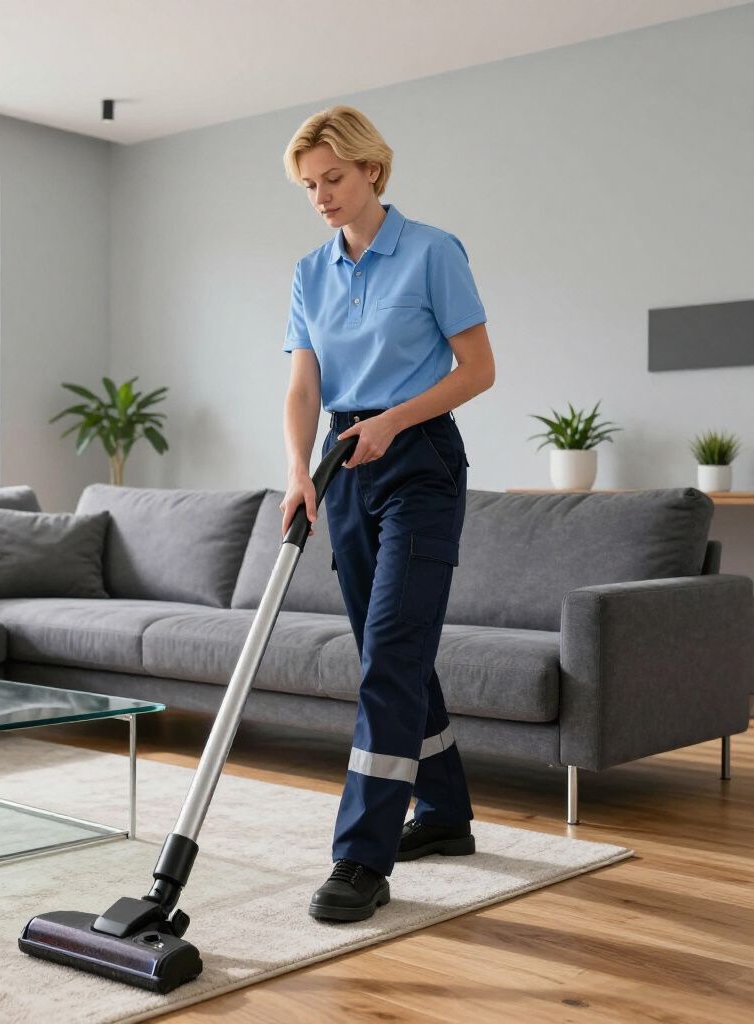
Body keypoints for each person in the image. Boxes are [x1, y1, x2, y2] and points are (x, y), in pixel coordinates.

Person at [279, 105, 497, 922]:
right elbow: (304, 385)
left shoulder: (433, 251)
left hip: (419, 461)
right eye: (309, 185)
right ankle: (443, 814)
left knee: (392, 654)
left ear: (373, 169)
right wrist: (300, 472)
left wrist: (394, 421)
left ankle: (360, 858)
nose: (322, 196)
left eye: (333, 178)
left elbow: (478, 369)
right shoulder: (310, 273)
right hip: (345, 463)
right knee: (388, 647)